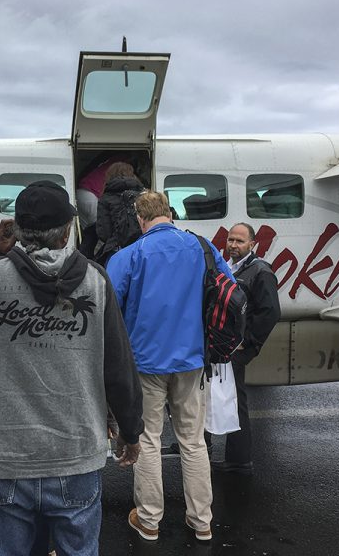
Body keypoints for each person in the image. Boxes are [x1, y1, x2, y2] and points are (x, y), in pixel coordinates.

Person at [0, 180, 143, 556]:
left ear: (15, 229)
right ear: (68, 229)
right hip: (75, 452)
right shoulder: (96, 281)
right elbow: (117, 367)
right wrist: (130, 432)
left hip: (3, 456)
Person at [105, 191, 232, 543]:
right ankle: (201, 520)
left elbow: (109, 309)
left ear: (139, 217)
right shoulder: (203, 247)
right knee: (193, 442)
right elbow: (229, 290)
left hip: (144, 363)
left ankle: (148, 520)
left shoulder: (129, 255)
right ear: (170, 213)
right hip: (192, 359)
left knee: (147, 440)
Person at [210, 222, 281, 475]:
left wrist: (249, 344)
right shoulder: (228, 267)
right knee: (221, 398)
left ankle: (239, 460)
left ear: (253, 244)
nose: (233, 245)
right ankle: (216, 451)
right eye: (230, 240)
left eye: (240, 241)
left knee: (236, 400)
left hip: (236, 349)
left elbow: (270, 312)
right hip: (222, 345)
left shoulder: (260, 271)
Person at [94, 162, 144, 265]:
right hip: (141, 248)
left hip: (116, 250)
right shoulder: (143, 195)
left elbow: (104, 232)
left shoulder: (106, 197)